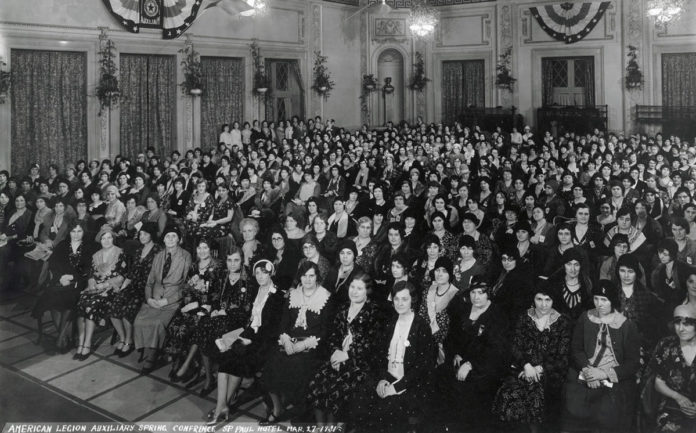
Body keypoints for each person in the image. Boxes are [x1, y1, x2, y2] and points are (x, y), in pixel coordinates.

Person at [206, 259, 285, 424]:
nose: (260, 276)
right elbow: (249, 320)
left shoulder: (277, 296)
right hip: (249, 334)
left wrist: (250, 340)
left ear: (271, 273)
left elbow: (271, 329)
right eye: (257, 272)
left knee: (233, 358)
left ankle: (222, 407)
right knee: (225, 354)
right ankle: (222, 406)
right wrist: (239, 335)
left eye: (264, 272)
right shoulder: (256, 290)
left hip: (264, 342)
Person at [351, 281, 435, 433]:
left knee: (386, 409)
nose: (400, 303)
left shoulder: (421, 326)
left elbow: (422, 366)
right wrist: (382, 379)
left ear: (413, 300)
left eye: (404, 299)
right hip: (388, 378)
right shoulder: (390, 323)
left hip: (410, 384)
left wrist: (396, 387)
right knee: (361, 397)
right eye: (396, 299)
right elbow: (380, 356)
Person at [561, 280, 641, 433]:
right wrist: (587, 371)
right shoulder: (585, 318)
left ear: (612, 300)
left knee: (605, 414)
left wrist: (604, 374)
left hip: (612, 379)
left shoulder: (626, 325)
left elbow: (633, 363)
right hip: (586, 373)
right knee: (573, 408)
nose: (599, 304)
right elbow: (576, 349)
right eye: (596, 299)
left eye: (604, 299)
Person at [261, 261, 333, 423]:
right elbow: (283, 323)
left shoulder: (326, 297)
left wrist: (304, 344)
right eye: (304, 276)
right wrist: (286, 341)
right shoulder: (293, 295)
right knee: (270, 366)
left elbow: (325, 330)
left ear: (317, 277)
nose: (307, 280)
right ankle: (278, 408)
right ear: (299, 277)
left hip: (314, 345)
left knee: (298, 367)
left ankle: (302, 411)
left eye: (311, 276)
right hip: (290, 342)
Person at [492, 288, 572, 432]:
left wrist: (539, 369)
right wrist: (526, 366)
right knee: (508, 394)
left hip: (549, 373)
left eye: (548, 300)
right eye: (539, 299)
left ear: (554, 301)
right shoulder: (524, 317)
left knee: (534, 396)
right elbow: (515, 345)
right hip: (522, 369)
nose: (543, 305)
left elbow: (563, 356)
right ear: (533, 300)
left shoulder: (562, 321)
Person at [307, 272, 382, 426]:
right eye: (352, 287)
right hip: (338, 356)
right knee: (317, 384)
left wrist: (346, 355)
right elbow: (334, 335)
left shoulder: (374, 312)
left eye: (359, 288)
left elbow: (370, 344)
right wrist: (335, 352)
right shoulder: (343, 307)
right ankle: (322, 428)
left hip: (360, 362)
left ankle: (332, 429)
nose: (354, 291)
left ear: (367, 291)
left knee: (337, 390)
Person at [437, 279, 509, 431]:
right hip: (460, 361)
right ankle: (446, 426)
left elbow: (497, 351)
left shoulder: (498, 315)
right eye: (473, 292)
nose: (476, 297)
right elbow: (452, 338)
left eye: (481, 293)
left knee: (466, 390)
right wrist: (456, 354)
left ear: (488, 294)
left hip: (485, 368)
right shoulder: (464, 310)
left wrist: (471, 364)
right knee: (440, 376)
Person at [133, 226, 193, 374]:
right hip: (155, 298)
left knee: (158, 323)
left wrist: (167, 301)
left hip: (172, 300)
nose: (171, 239)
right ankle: (152, 348)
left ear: (179, 239)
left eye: (174, 236)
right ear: (163, 239)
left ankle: (152, 357)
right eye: (168, 236)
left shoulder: (186, 256)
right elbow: (149, 281)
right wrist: (149, 299)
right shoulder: (158, 255)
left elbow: (187, 285)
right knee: (139, 321)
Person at [31, 221, 97, 350]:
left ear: (84, 232)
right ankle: (64, 337)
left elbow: (89, 269)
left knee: (70, 299)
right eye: (73, 231)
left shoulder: (89, 247)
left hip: (79, 282)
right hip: (61, 280)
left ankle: (60, 338)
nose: (76, 235)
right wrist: (61, 277)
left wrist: (73, 277)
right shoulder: (62, 245)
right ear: (69, 232)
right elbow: (53, 265)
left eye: (79, 231)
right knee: (51, 298)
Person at [166, 238, 223, 386]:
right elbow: (186, 288)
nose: (202, 251)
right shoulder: (193, 266)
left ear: (211, 249)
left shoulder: (218, 266)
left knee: (194, 326)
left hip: (207, 307)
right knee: (174, 325)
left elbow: (217, 292)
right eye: (199, 248)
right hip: (190, 304)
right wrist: (188, 304)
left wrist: (200, 305)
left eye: (205, 248)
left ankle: (187, 365)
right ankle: (180, 361)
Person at [75, 227, 129, 360]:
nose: (106, 240)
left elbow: (122, 275)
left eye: (109, 237)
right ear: (100, 240)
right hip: (95, 288)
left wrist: (105, 285)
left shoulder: (120, 252)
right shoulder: (96, 255)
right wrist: (93, 284)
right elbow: (91, 275)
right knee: (81, 303)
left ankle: (87, 344)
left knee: (92, 305)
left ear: (113, 239)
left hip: (112, 288)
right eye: (103, 238)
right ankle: (81, 344)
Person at [109, 222, 160, 358]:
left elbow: (158, 276)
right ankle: (123, 337)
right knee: (114, 307)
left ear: (152, 235)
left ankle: (129, 341)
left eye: (145, 234)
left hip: (147, 289)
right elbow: (131, 273)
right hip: (133, 286)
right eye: (141, 234)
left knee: (127, 311)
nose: (142, 237)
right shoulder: (138, 251)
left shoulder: (158, 251)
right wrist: (123, 287)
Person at [643, 304, 696, 433]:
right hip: (673, 406)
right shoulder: (666, 345)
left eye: (688, 323)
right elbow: (658, 383)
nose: (681, 329)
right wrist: (679, 398)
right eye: (677, 322)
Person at [418, 256, 459, 365]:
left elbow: (455, 328)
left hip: (444, 347)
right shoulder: (428, 291)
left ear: (450, 273)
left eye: (444, 271)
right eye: (437, 270)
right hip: (423, 341)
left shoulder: (456, 296)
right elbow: (420, 316)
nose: (439, 274)